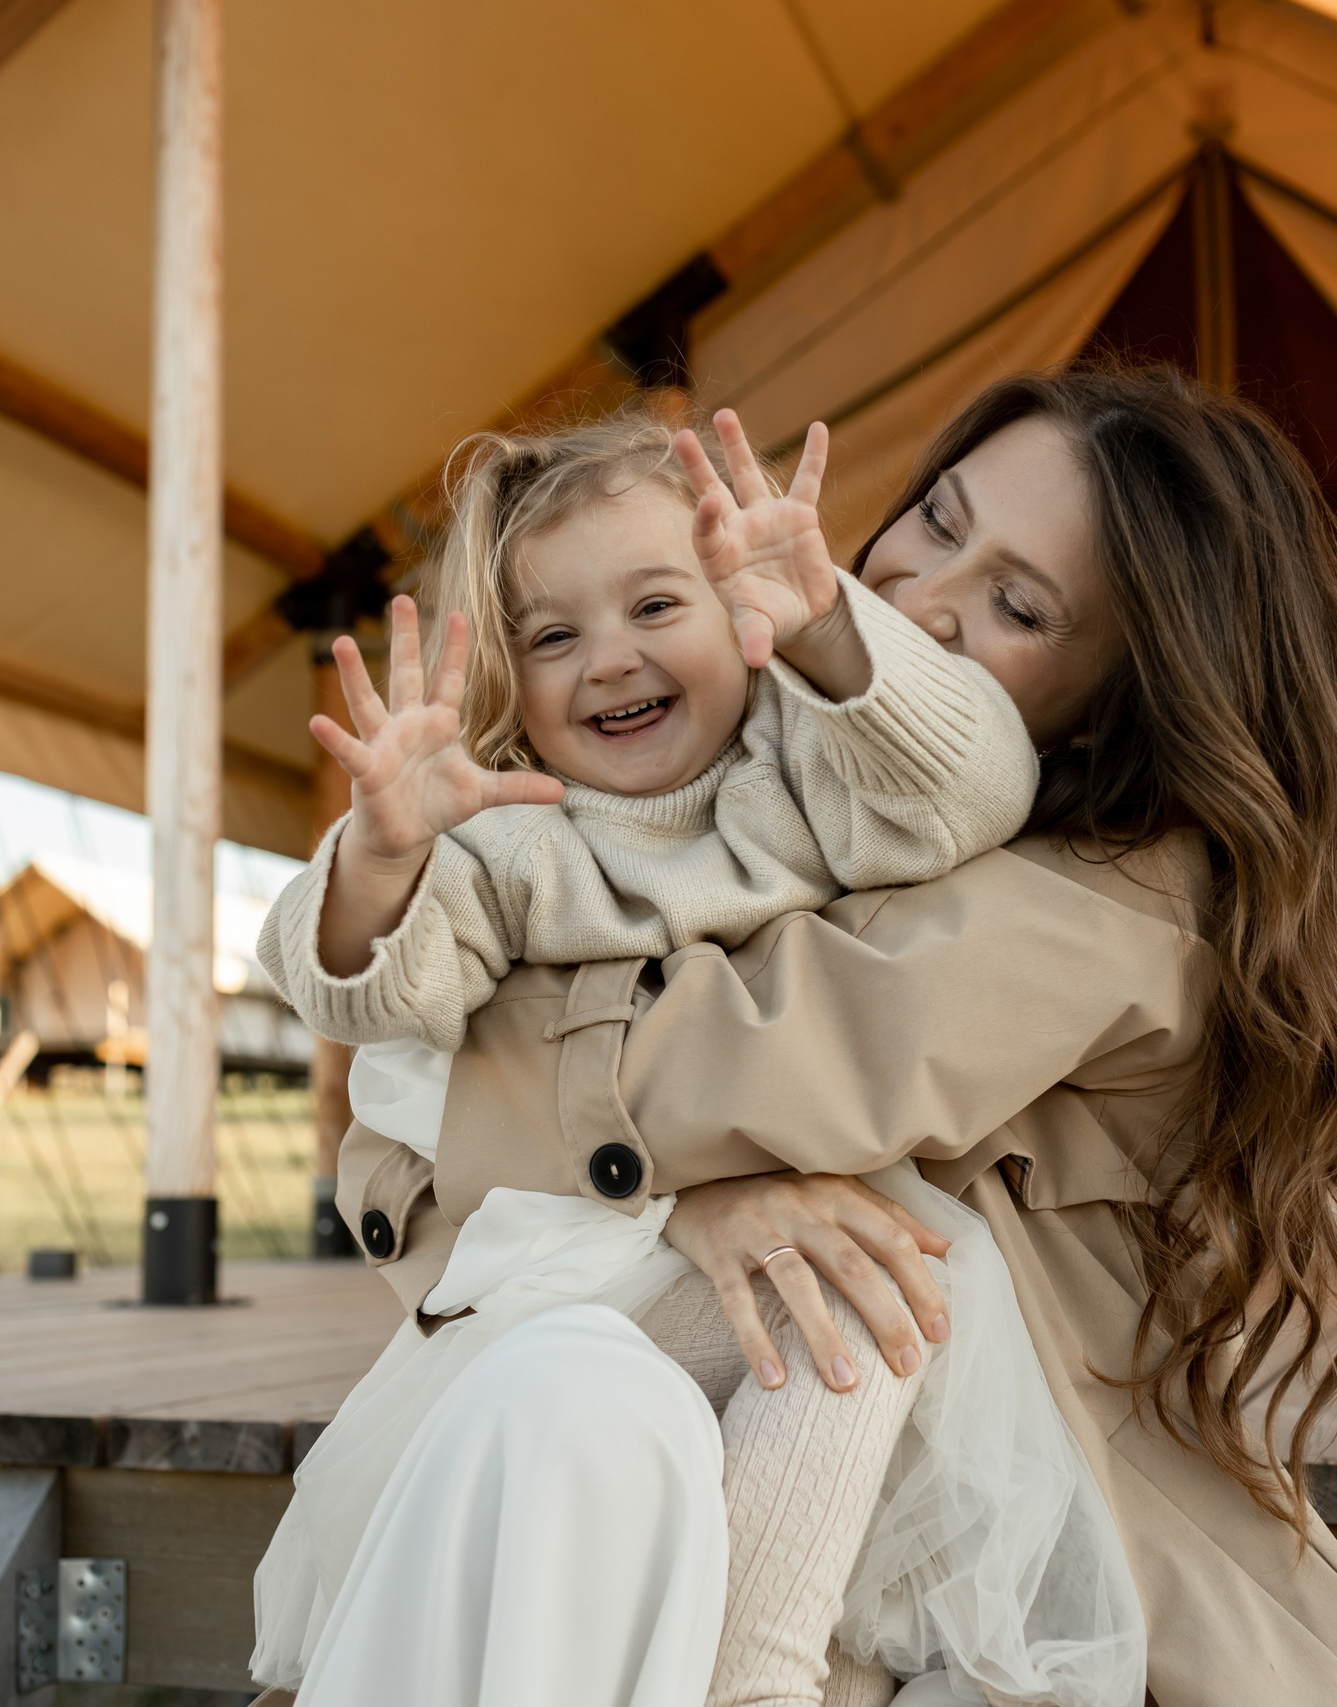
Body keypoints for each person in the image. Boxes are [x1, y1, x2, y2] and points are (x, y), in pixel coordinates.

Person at [326, 363, 1337, 1707]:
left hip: (1023, 1580)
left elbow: (689, 1077)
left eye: (1017, 605)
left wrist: (625, 1162)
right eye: (935, 519)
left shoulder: (1117, 901)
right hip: (787, 1478)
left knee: (622, 1400)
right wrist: (683, 1207)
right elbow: (394, 1160)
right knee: (559, 1417)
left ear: (1117, 696)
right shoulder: (762, 778)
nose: (921, 597)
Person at [253, 409, 1138, 1705]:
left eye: (656, 605)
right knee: (849, 1281)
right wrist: (385, 860)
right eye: (553, 636)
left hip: (773, 1280)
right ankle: (765, 1675)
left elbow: (970, 792)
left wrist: (833, 629)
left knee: (883, 1272)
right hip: (576, 1271)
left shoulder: (806, 774)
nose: (607, 661)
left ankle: (758, 1667)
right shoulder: (520, 835)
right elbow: (373, 993)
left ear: (742, 613)